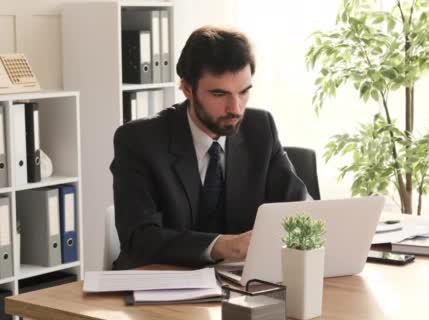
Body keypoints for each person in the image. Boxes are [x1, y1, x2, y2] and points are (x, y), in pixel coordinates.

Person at [110, 26, 308, 270]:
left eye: (244, 92)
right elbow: (139, 239)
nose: (235, 108)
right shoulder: (138, 141)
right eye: (219, 94)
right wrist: (222, 246)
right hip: (160, 284)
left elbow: (300, 207)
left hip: (237, 284)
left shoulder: (260, 129)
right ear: (187, 90)